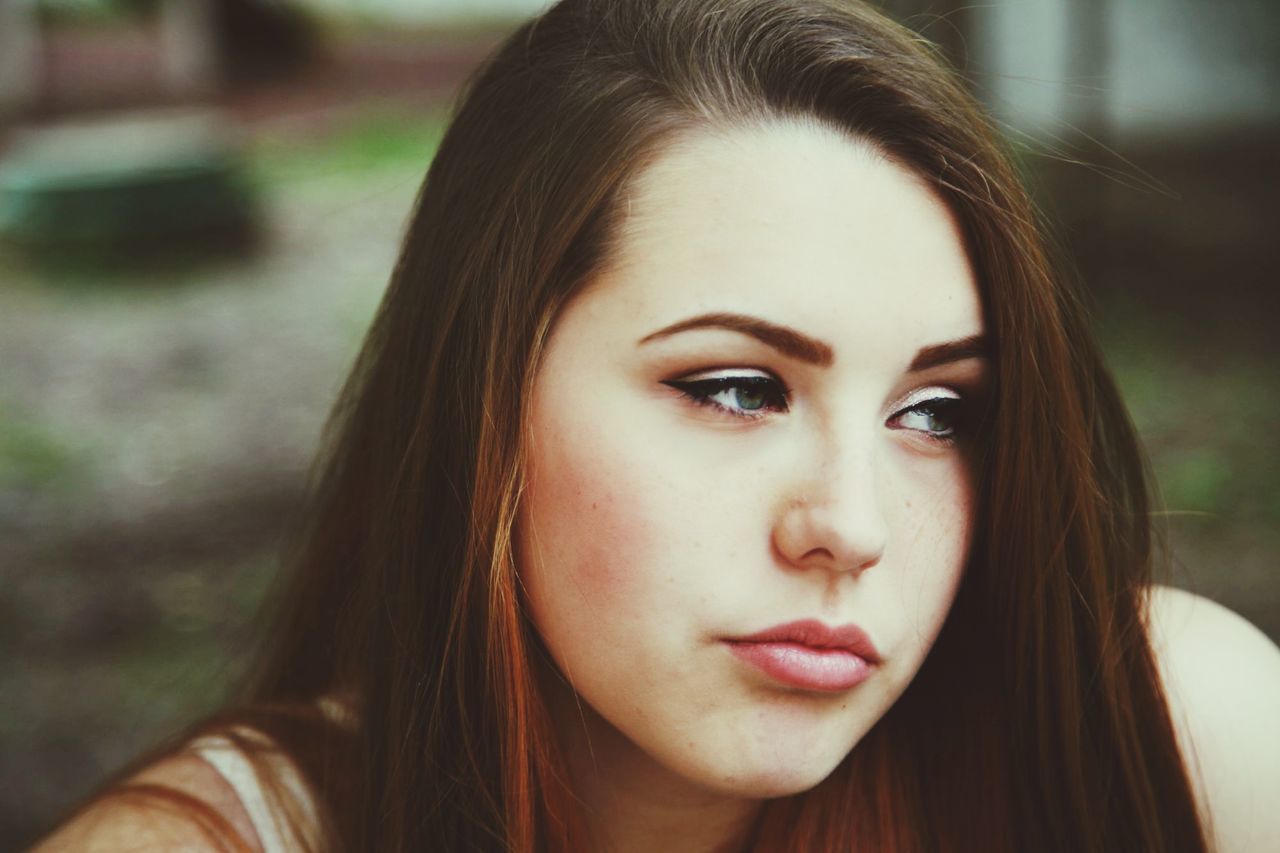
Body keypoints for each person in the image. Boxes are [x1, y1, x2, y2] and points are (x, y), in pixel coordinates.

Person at [34, 0, 1280, 850]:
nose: (850, 527)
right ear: (488, 392)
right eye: (735, 387)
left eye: (934, 409)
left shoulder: (1161, 742)